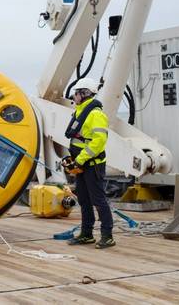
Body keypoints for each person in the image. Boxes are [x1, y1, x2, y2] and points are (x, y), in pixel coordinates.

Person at [62, 78, 115, 249]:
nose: (73, 96)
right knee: (84, 199)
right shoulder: (80, 111)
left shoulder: (96, 114)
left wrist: (80, 159)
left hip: (92, 164)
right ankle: (87, 234)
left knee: (98, 200)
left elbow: (98, 142)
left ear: (83, 93)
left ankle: (107, 236)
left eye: (76, 93)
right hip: (82, 164)